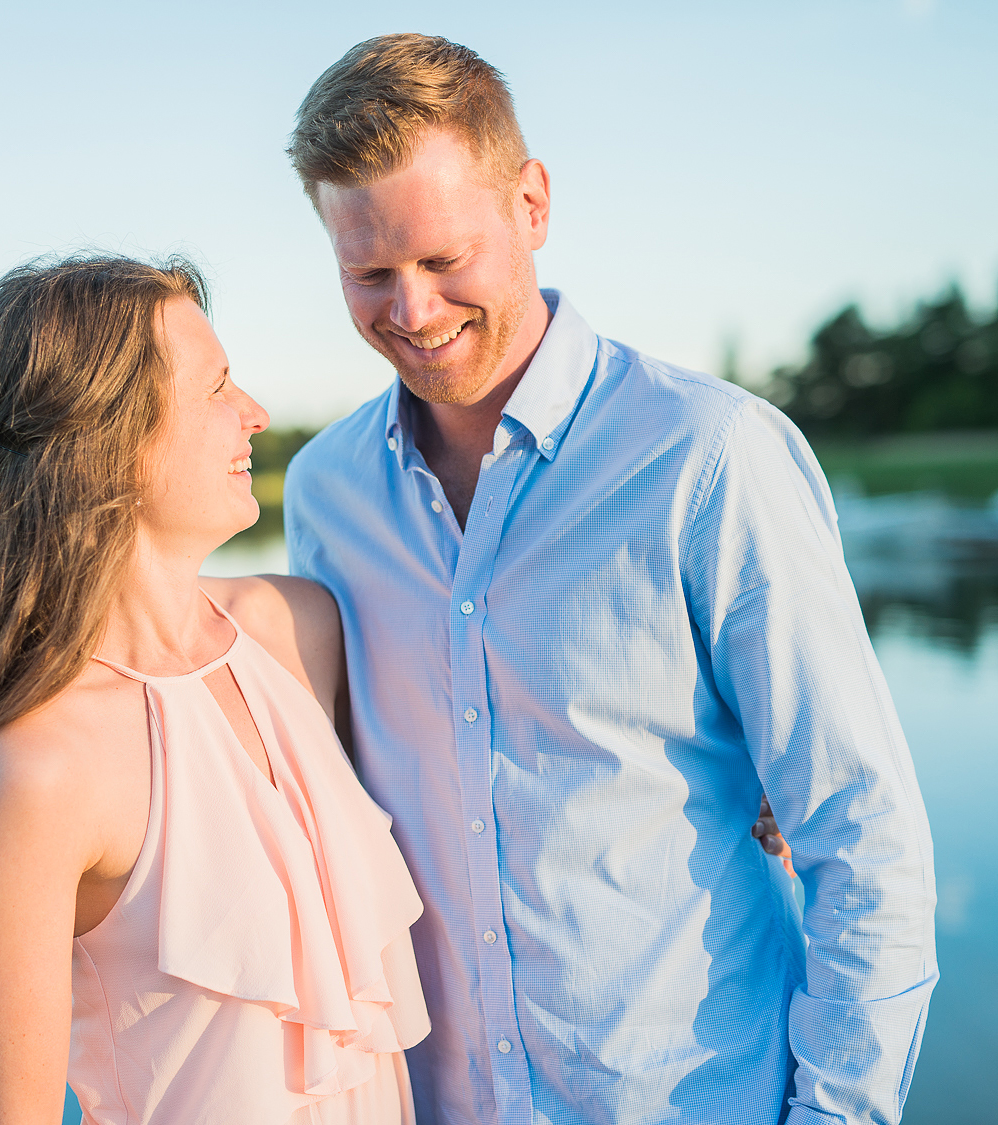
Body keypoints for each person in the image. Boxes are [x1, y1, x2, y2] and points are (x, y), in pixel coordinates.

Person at [282, 33, 937, 1125]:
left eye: (444, 260)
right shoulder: (325, 498)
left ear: (531, 204)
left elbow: (862, 837)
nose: (412, 310)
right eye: (369, 273)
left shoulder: (710, 457)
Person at [0, 256, 431, 1125]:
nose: (255, 413)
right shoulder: (38, 769)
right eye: (218, 386)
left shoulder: (291, 629)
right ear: (103, 440)